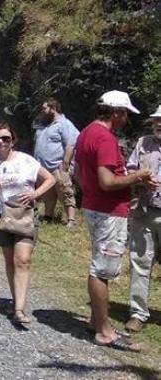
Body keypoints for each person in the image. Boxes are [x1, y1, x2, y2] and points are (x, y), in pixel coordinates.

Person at [75, 90, 155, 351]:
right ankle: (105, 332)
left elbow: (78, 174)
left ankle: (95, 321)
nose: (127, 120)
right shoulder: (105, 139)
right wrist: (139, 176)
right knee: (101, 270)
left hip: (94, 207)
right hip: (109, 212)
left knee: (98, 264)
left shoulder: (86, 132)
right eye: (126, 114)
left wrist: (92, 194)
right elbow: (108, 182)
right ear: (116, 112)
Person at [0, 123, 55, 325]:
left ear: (13, 140)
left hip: (24, 215)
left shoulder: (25, 160)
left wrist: (36, 193)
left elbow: (50, 179)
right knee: (9, 260)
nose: (1, 142)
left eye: (6, 138)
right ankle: (15, 301)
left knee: (22, 260)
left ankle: (20, 310)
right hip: (1, 214)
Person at [124, 104, 161, 332]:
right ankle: (138, 313)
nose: (158, 123)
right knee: (140, 262)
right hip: (143, 212)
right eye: (156, 120)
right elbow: (129, 169)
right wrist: (139, 178)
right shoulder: (143, 143)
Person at [33, 98, 80, 229]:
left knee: (65, 191)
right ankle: (48, 215)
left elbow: (71, 144)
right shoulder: (45, 125)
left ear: (53, 108)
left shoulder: (64, 124)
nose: (42, 111)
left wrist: (65, 165)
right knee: (48, 194)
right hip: (43, 168)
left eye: (44, 108)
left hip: (58, 166)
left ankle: (71, 220)